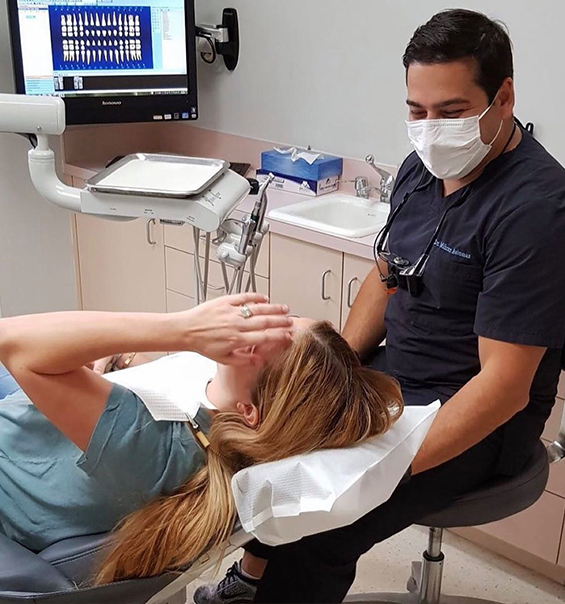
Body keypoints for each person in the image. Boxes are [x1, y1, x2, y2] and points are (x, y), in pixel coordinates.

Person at [195, 9, 565, 604]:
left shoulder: (536, 211)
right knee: (270, 442)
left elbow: (504, 389)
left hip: (479, 419)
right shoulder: (422, 170)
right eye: (417, 112)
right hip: (397, 379)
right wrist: (330, 371)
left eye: (451, 112)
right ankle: (252, 580)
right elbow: (386, 273)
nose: (430, 129)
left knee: (324, 518)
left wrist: (375, 468)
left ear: (504, 97)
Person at [0, 293, 403, 584]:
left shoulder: (156, 444)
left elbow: (10, 341)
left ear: (249, 413)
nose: (243, 324)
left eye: (254, 342)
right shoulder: (209, 424)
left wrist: (182, 328)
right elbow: (159, 392)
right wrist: (119, 363)